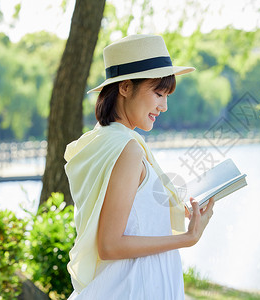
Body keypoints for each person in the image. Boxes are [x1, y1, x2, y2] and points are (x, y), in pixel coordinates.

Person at [64, 34, 215, 299]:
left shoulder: (102, 139)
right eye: (158, 93)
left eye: (166, 95)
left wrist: (175, 209)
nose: (164, 106)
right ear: (124, 87)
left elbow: (123, 213)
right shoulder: (127, 148)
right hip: (133, 287)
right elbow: (109, 244)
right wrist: (187, 238)